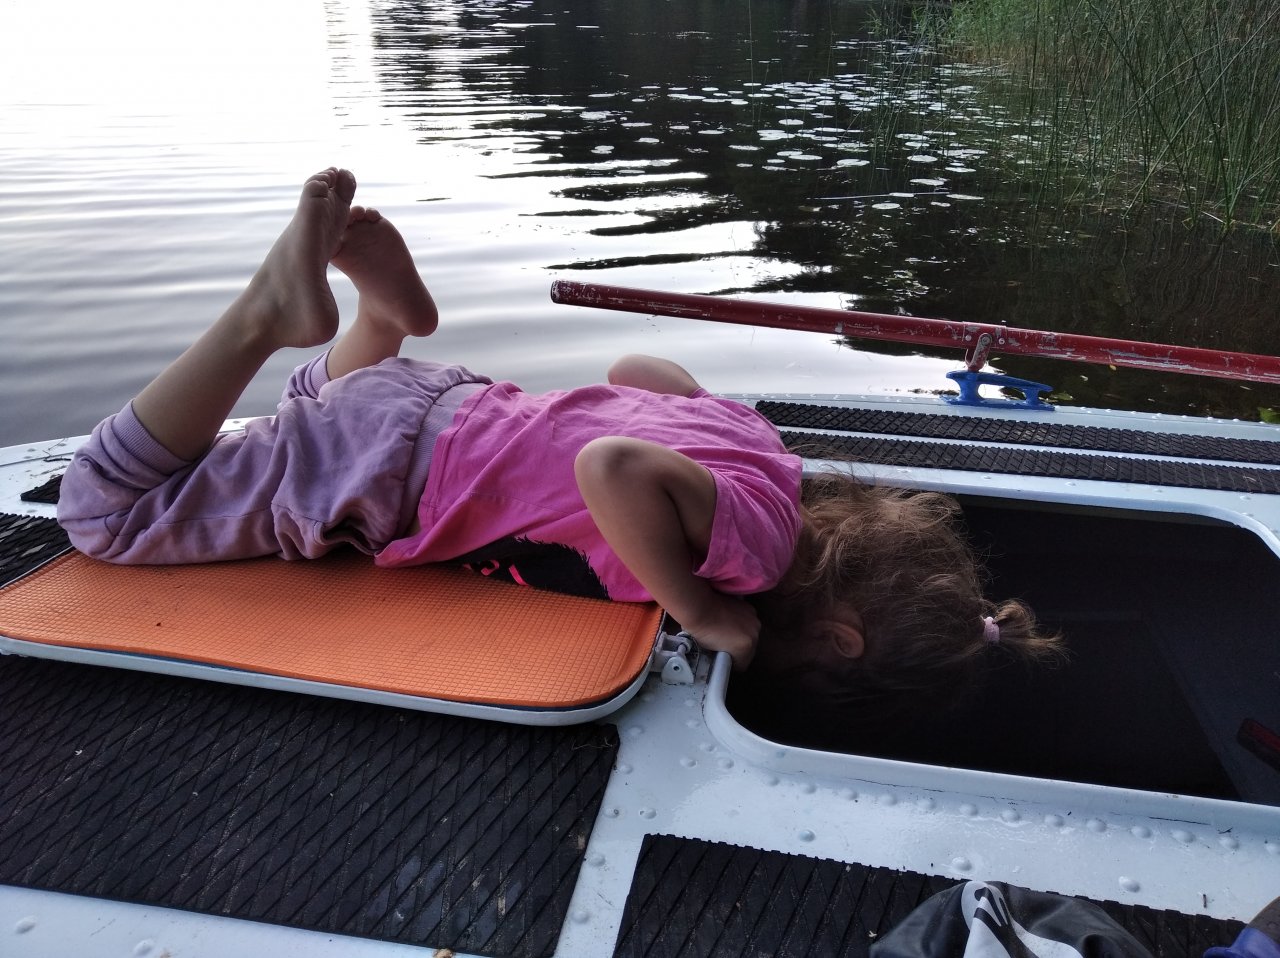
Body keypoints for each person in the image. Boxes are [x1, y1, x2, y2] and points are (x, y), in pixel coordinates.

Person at [58, 166, 1062, 687]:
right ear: (838, 639)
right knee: (103, 509)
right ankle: (258, 318)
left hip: (436, 398)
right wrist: (698, 610)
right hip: (392, 475)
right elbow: (612, 467)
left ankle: (383, 320)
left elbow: (639, 378)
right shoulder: (751, 556)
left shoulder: (769, 461)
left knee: (312, 407)